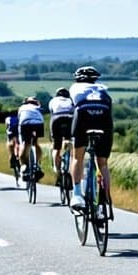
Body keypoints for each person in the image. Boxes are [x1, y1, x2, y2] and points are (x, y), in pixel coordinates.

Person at [68, 66, 112, 212]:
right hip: (104, 115)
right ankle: (104, 201)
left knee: (77, 157)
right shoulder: (103, 88)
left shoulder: (74, 87)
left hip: (83, 114)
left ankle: (76, 195)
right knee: (103, 164)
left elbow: (70, 111)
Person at [47, 88, 74, 185]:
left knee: (56, 146)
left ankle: (57, 169)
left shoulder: (53, 101)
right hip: (69, 119)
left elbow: (52, 115)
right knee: (69, 141)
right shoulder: (71, 100)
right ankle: (69, 167)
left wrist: (51, 137)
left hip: (56, 119)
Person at [17, 96, 45, 182]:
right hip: (38, 123)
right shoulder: (37, 106)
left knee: (25, 143)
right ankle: (37, 164)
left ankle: (23, 165)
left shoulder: (22, 107)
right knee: (36, 143)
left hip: (25, 123)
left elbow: (19, 119)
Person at [5, 112, 21, 181]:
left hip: (10, 133)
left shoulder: (8, 118)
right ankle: (17, 156)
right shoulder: (19, 117)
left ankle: (12, 157)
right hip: (18, 132)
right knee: (18, 143)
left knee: (10, 143)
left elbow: (7, 128)